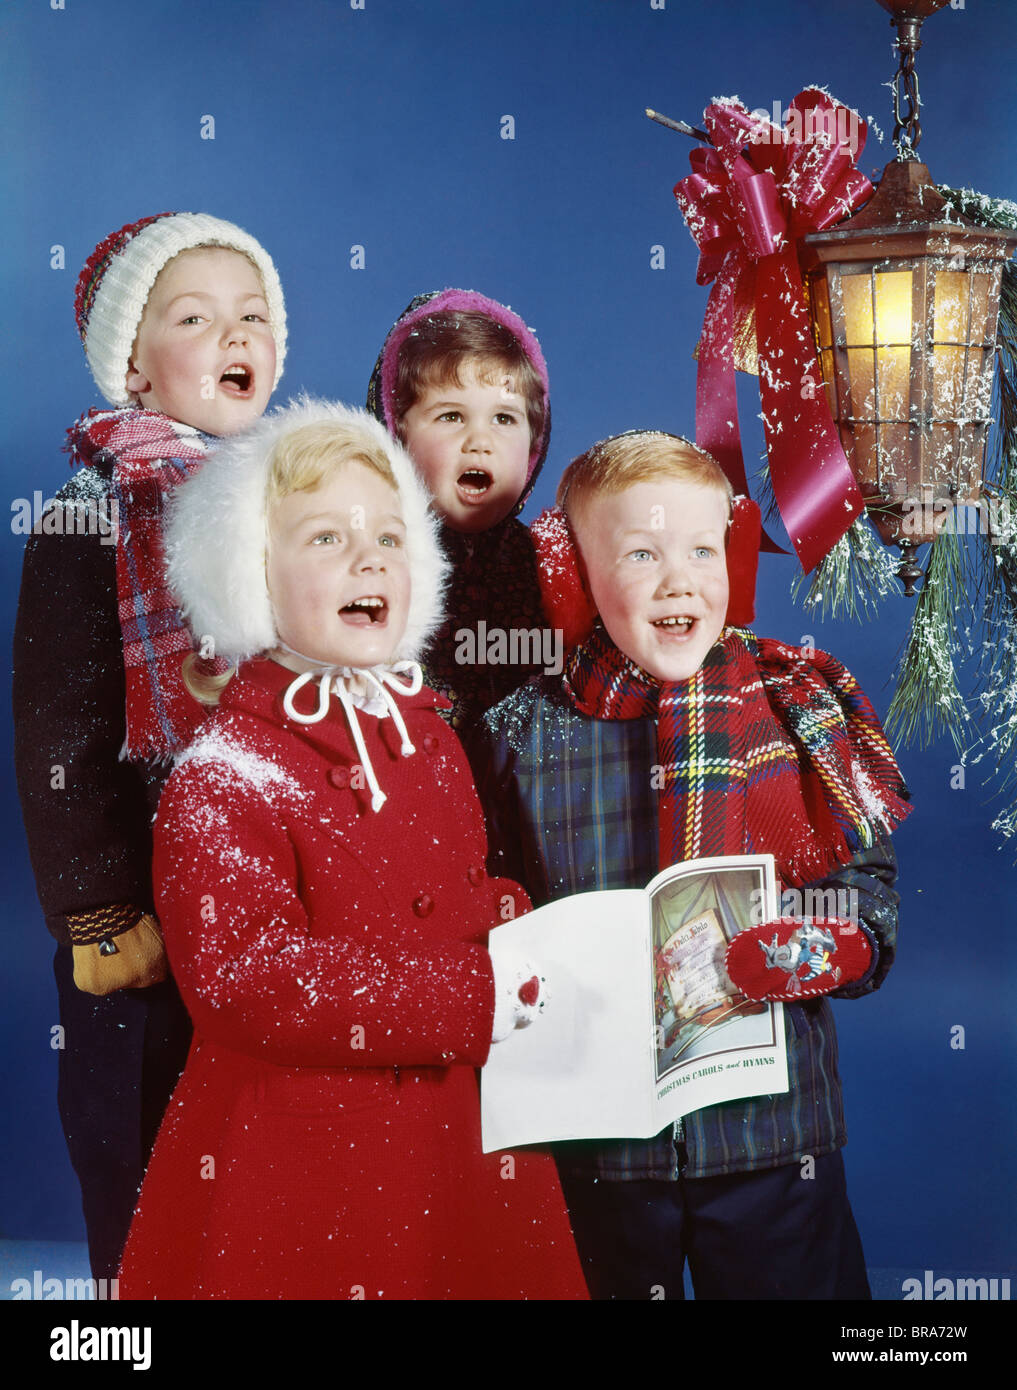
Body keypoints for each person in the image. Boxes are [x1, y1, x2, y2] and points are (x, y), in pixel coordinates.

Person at [116, 398, 586, 1300]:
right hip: (308, 1155)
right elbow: (246, 982)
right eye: (325, 538)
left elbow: (450, 889)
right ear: (248, 575)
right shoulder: (223, 774)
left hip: (457, 1129)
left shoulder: (430, 736)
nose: (368, 557)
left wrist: (506, 924)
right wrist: (474, 993)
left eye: (389, 537)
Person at [470, 430, 912, 1300]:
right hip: (595, 1144)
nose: (679, 579)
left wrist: (831, 945)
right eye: (640, 552)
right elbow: (477, 898)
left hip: (773, 1138)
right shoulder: (519, 730)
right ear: (575, 573)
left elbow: (868, 893)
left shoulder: (793, 705)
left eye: (700, 550)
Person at [12, 212, 287, 1281]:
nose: (235, 334)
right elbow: (58, 726)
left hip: (262, 898)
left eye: (254, 315)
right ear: (132, 362)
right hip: (149, 908)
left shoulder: (295, 493)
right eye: (195, 317)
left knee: (256, 1147)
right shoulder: (93, 510)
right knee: (140, 1139)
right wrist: (98, 907)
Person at [367, 288, 551, 730]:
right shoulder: (375, 558)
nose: (479, 441)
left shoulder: (554, 567)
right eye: (451, 416)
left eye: (504, 418)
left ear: (534, 445)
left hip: (531, 788)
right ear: (397, 433)